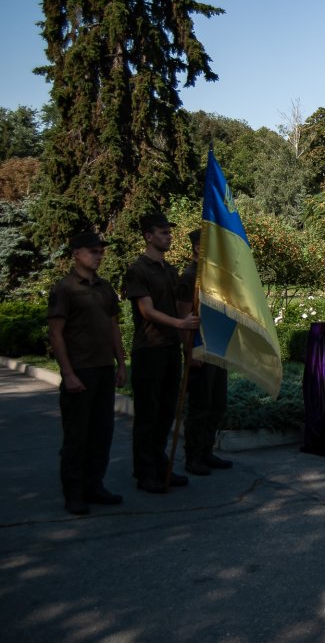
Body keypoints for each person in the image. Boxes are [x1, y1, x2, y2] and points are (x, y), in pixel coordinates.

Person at [47, 232, 128, 515]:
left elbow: (113, 326)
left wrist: (121, 364)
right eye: (93, 251)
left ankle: (95, 486)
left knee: (102, 433)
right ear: (76, 253)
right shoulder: (65, 288)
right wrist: (68, 373)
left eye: (101, 251)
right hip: (80, 370)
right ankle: (74, 493)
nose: (99, 256)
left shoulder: (105, 288)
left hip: (104, 369)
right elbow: (55, 334)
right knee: (77, 436)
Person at [123, 212, 199, 493]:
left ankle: (160, 465)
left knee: (166, 412)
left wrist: (184, 341)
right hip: (149, 349)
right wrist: (180, 324)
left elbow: (179, 305)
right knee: (148, 415)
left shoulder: (169, 270)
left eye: (169, 232)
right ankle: (145, 472)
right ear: (148, 236)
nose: (169, 236)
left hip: (170, 349)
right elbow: (146, 310)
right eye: (163, 232)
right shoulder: (138, 270)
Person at [176, 229, 233, 477]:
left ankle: (207, 450)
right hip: (200, 348)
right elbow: (182, 316)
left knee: (217, 403)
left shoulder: (215, 277)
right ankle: (193, 456)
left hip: (217, 348)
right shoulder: (190, 277)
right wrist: (188, 351)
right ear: (198, 248)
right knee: (200, 405)